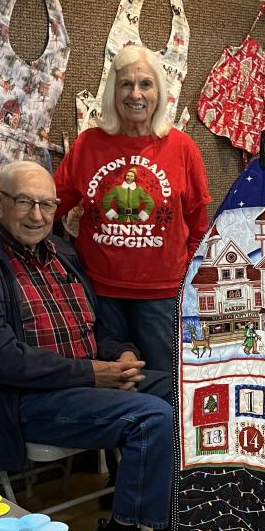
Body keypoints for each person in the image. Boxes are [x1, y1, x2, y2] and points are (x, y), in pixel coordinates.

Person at [0, 160, 172, 531]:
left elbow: (96, 331)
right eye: (25, 202)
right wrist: (92, 373)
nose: (37, 215)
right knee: (151, 418)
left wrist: (120, 355)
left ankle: (161, 521)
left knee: (191, 393)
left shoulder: (64, 255)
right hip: (24, 400)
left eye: (47, 204)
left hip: (88, 381)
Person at [54, 45, 210, 372]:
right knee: (111, 384)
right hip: (99, 292)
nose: (135, 94)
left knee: (165, 382)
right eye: (126, 84)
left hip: (162, 296)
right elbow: (52, 205)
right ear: (113, 91)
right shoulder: (88, 145)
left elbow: (199, 227)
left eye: (145, 84)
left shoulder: (183, 148)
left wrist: (188, 282)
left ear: (159, 92)